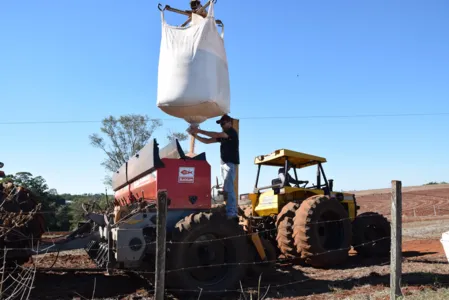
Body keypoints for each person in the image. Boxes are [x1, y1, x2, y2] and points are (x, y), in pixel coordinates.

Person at [188, 114, 239, 221]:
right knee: (226, 188)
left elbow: (216, 134)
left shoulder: (231, 132)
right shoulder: (224, 136)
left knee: (229, 189)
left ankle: (232, 213)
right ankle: (229, 210)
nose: (222, 125)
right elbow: (207, 141)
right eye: (221, 124)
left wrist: (198, 131)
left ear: (230, 123)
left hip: (229, 163)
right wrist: (194, 135)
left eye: (223, 123)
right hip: (224, 163)